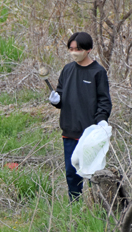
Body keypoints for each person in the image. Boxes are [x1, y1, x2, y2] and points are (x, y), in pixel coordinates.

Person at [49, 32, 112, 202]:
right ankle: (75, 206)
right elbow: (61, 96)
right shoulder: (68, 69)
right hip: (69, 130)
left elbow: (104, 101)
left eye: (78, 49)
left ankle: (97, 205)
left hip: (90, 133)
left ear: (88, 49)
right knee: (71, 172)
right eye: (71, 48)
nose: (74, 52)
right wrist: (56, 100)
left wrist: (101, 120)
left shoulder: (98, 72)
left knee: (93, 173)